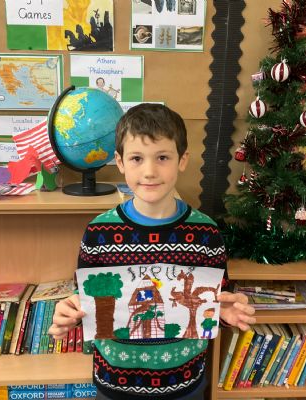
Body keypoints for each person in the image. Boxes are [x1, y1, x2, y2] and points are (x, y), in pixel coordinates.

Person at [49, 104, 256, 399]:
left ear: (182, 160)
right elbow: (84, 301)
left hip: (184, 383)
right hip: (114, 383)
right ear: (120, 162)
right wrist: (69, 314)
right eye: (136, 158)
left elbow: (218, 299)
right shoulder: (98, 232)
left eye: (162, 157)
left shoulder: (206, 234)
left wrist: (226, 312)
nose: (149, 171)